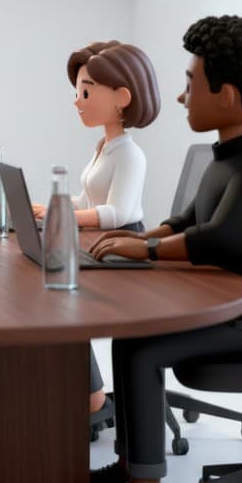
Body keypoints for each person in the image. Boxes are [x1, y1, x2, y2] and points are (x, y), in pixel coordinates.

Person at [83, 15, 242, 483]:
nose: (181, 97)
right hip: (224, 312)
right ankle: (130, 467)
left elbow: (219, 238)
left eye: (191, 84)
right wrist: (141, 236)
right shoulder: (224, 161)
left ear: (229, 95)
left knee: (144, 348)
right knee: (130, 341)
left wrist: (145, 254)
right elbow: (186, 220)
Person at [32, 40, 160, 415]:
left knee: (60, 299)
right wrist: (55, 207)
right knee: (48, 289)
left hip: (124, 245)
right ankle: (81, 390)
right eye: (77, 92)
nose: (77, 101)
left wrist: (65, 217)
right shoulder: (103, 147)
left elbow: (116, 213)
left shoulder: (131, 155)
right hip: (103, 241)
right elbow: (91, 202)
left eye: (85, 92)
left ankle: (91, 398)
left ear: (122, 97)